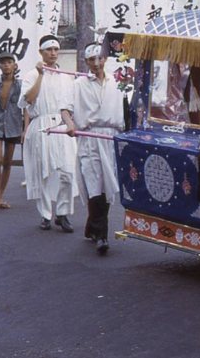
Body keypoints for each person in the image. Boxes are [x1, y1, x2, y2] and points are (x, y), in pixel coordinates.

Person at [62, 43, 125, 255]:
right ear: (86, 62)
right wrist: (70, 124)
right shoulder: (78, 84)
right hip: (89, 138)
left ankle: (92, 226)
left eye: (100, 58)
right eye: (91, 60)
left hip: (111, 137)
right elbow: (65, 108)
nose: (96, 63)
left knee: (106, 184)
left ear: (105, 59)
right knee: (93, 182)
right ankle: (102, 236)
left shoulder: (117, 83)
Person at [18, 35, 78, 232]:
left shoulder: (66, 77)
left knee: (67, 172)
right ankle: (45, 215)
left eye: (55, 49)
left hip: (62, 126)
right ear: (41, 52)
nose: (53, 53)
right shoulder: (31, 76)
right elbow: (27, 100)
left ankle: (62, 213)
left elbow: (71, 105)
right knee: (43, 172)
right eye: (48, 50)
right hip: (41, 125)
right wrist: (41, 75)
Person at [0, 53, 27, 210]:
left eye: (9, 62)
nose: (7, 65)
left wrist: (25, 129)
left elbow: (25, 108)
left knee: (7, 162)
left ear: (15, 65)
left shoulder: (20, 85)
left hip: (13, 127)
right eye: (3, 63)